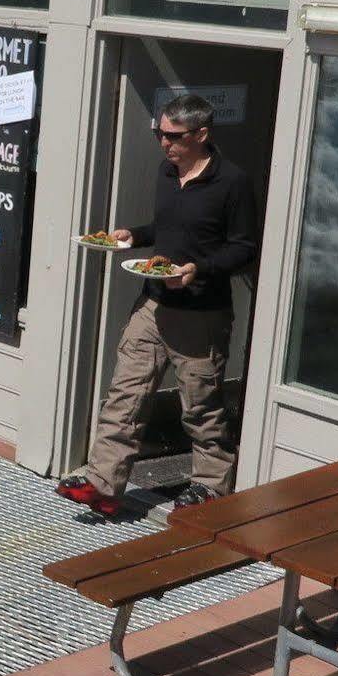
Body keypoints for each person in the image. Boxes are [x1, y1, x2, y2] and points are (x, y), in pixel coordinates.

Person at [59, 92, 258, 518]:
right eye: (159, 134)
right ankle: (103, 483)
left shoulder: (232, 182)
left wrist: (197, 269)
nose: (165, 144)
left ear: (201, 134)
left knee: (201, 404)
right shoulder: (167, 174)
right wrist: (133, 235)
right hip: (152, 304)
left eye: (174, 136)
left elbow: (243, 249)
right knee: (124, 395)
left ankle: (209, 487)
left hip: (201, 314)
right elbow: (169, 229)